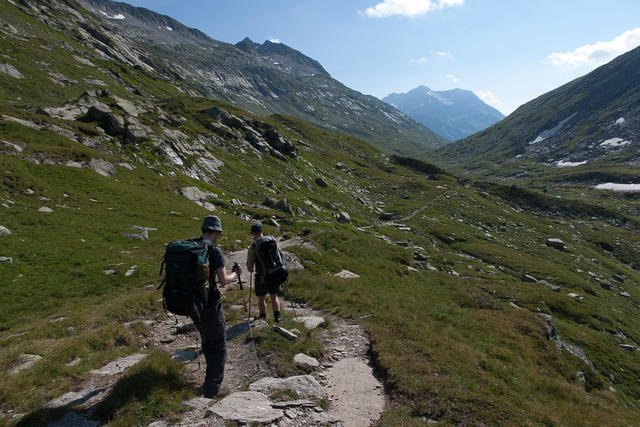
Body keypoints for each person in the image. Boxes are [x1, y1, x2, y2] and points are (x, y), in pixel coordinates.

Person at [193, 215, 241, 398]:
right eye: (219, 233)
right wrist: (235, 275)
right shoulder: (214, 251)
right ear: (215, 232)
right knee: (219, 343)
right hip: (210, 303)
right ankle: (213, 388)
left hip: (194, 303)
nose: (219, 236)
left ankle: (209, 379)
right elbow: (223, 281)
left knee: (207, 339)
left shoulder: (193, 246)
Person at [246, 222, 282, 323]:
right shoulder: (272, 242)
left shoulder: (253, 247)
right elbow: (278, 256)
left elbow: (249, 266)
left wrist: (250, 268)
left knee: (261, 298)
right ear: (262, 231)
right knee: (274, 297)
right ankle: (277, 318)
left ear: (253, 233)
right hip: (273, 274)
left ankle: (262, 317)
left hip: (261, 275)